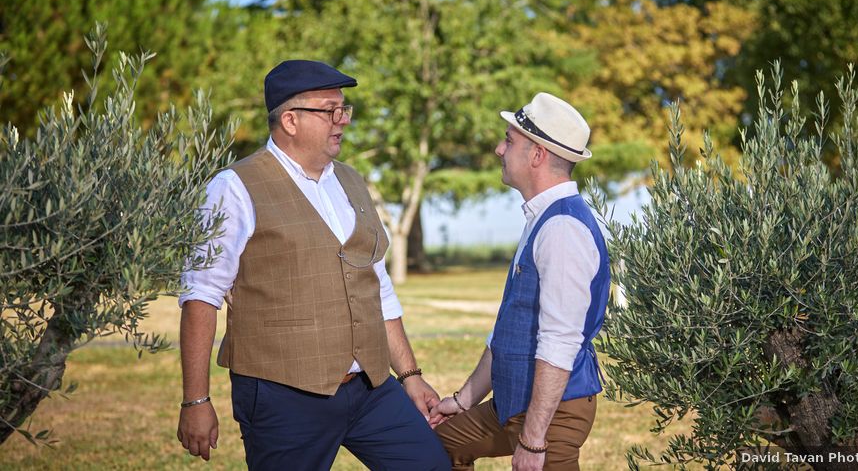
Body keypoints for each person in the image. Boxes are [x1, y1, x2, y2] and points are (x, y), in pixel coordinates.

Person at [175, 60, 450, 470]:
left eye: (344, 110)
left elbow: (377, 286)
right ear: (290, 120)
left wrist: (409, 375)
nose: (342, 121)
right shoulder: (233, 188)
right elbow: (201, 296)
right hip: (283, 396)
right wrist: (196, 400)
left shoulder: (352, 181)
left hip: (369, 389)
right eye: (330, 110)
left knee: (430, 465)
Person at [430, 92, 611, 470]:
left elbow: (560, 341)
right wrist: (464, 401)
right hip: (512, 406)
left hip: (552, 416)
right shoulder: (542, 218)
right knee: (434, 446)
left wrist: (532, 440)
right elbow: (509, 330)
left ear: (537, 155)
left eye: (509, 141)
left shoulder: (562, 228)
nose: (498, 149)